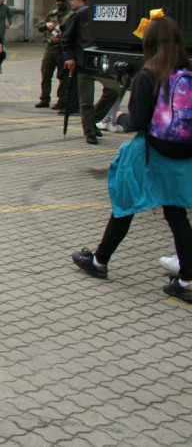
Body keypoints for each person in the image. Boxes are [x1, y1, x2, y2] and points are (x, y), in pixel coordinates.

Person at [71, 16, 192, 302]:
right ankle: (186, 281)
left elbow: (137, 121)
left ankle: (99, 262)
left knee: (123, 206)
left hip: (150, 152)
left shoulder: (147, 75)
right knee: (177, 216)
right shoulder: (186, 72)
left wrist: (121, 117)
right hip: (183, 154)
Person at [61, 0, 120, 145]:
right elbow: (66, 39)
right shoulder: (80, 14)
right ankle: (89, 132)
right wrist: (69, 57)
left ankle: (91, 121)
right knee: (86, 100)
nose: (70, 2)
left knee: (113, 91)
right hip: (83, 63)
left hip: (102, 63)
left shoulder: (110, 13)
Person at [35, 0, 73, 108]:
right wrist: (46, 25)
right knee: (45, 74)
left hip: (63, 49)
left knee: (63, 76)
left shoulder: (71, 15)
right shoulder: (51, 14)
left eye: (62, 0)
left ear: (66, 1)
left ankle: (62, 100)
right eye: (58, 0)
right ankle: (44, 99)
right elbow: (39, 27)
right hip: (50, 48)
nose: (59, 2)